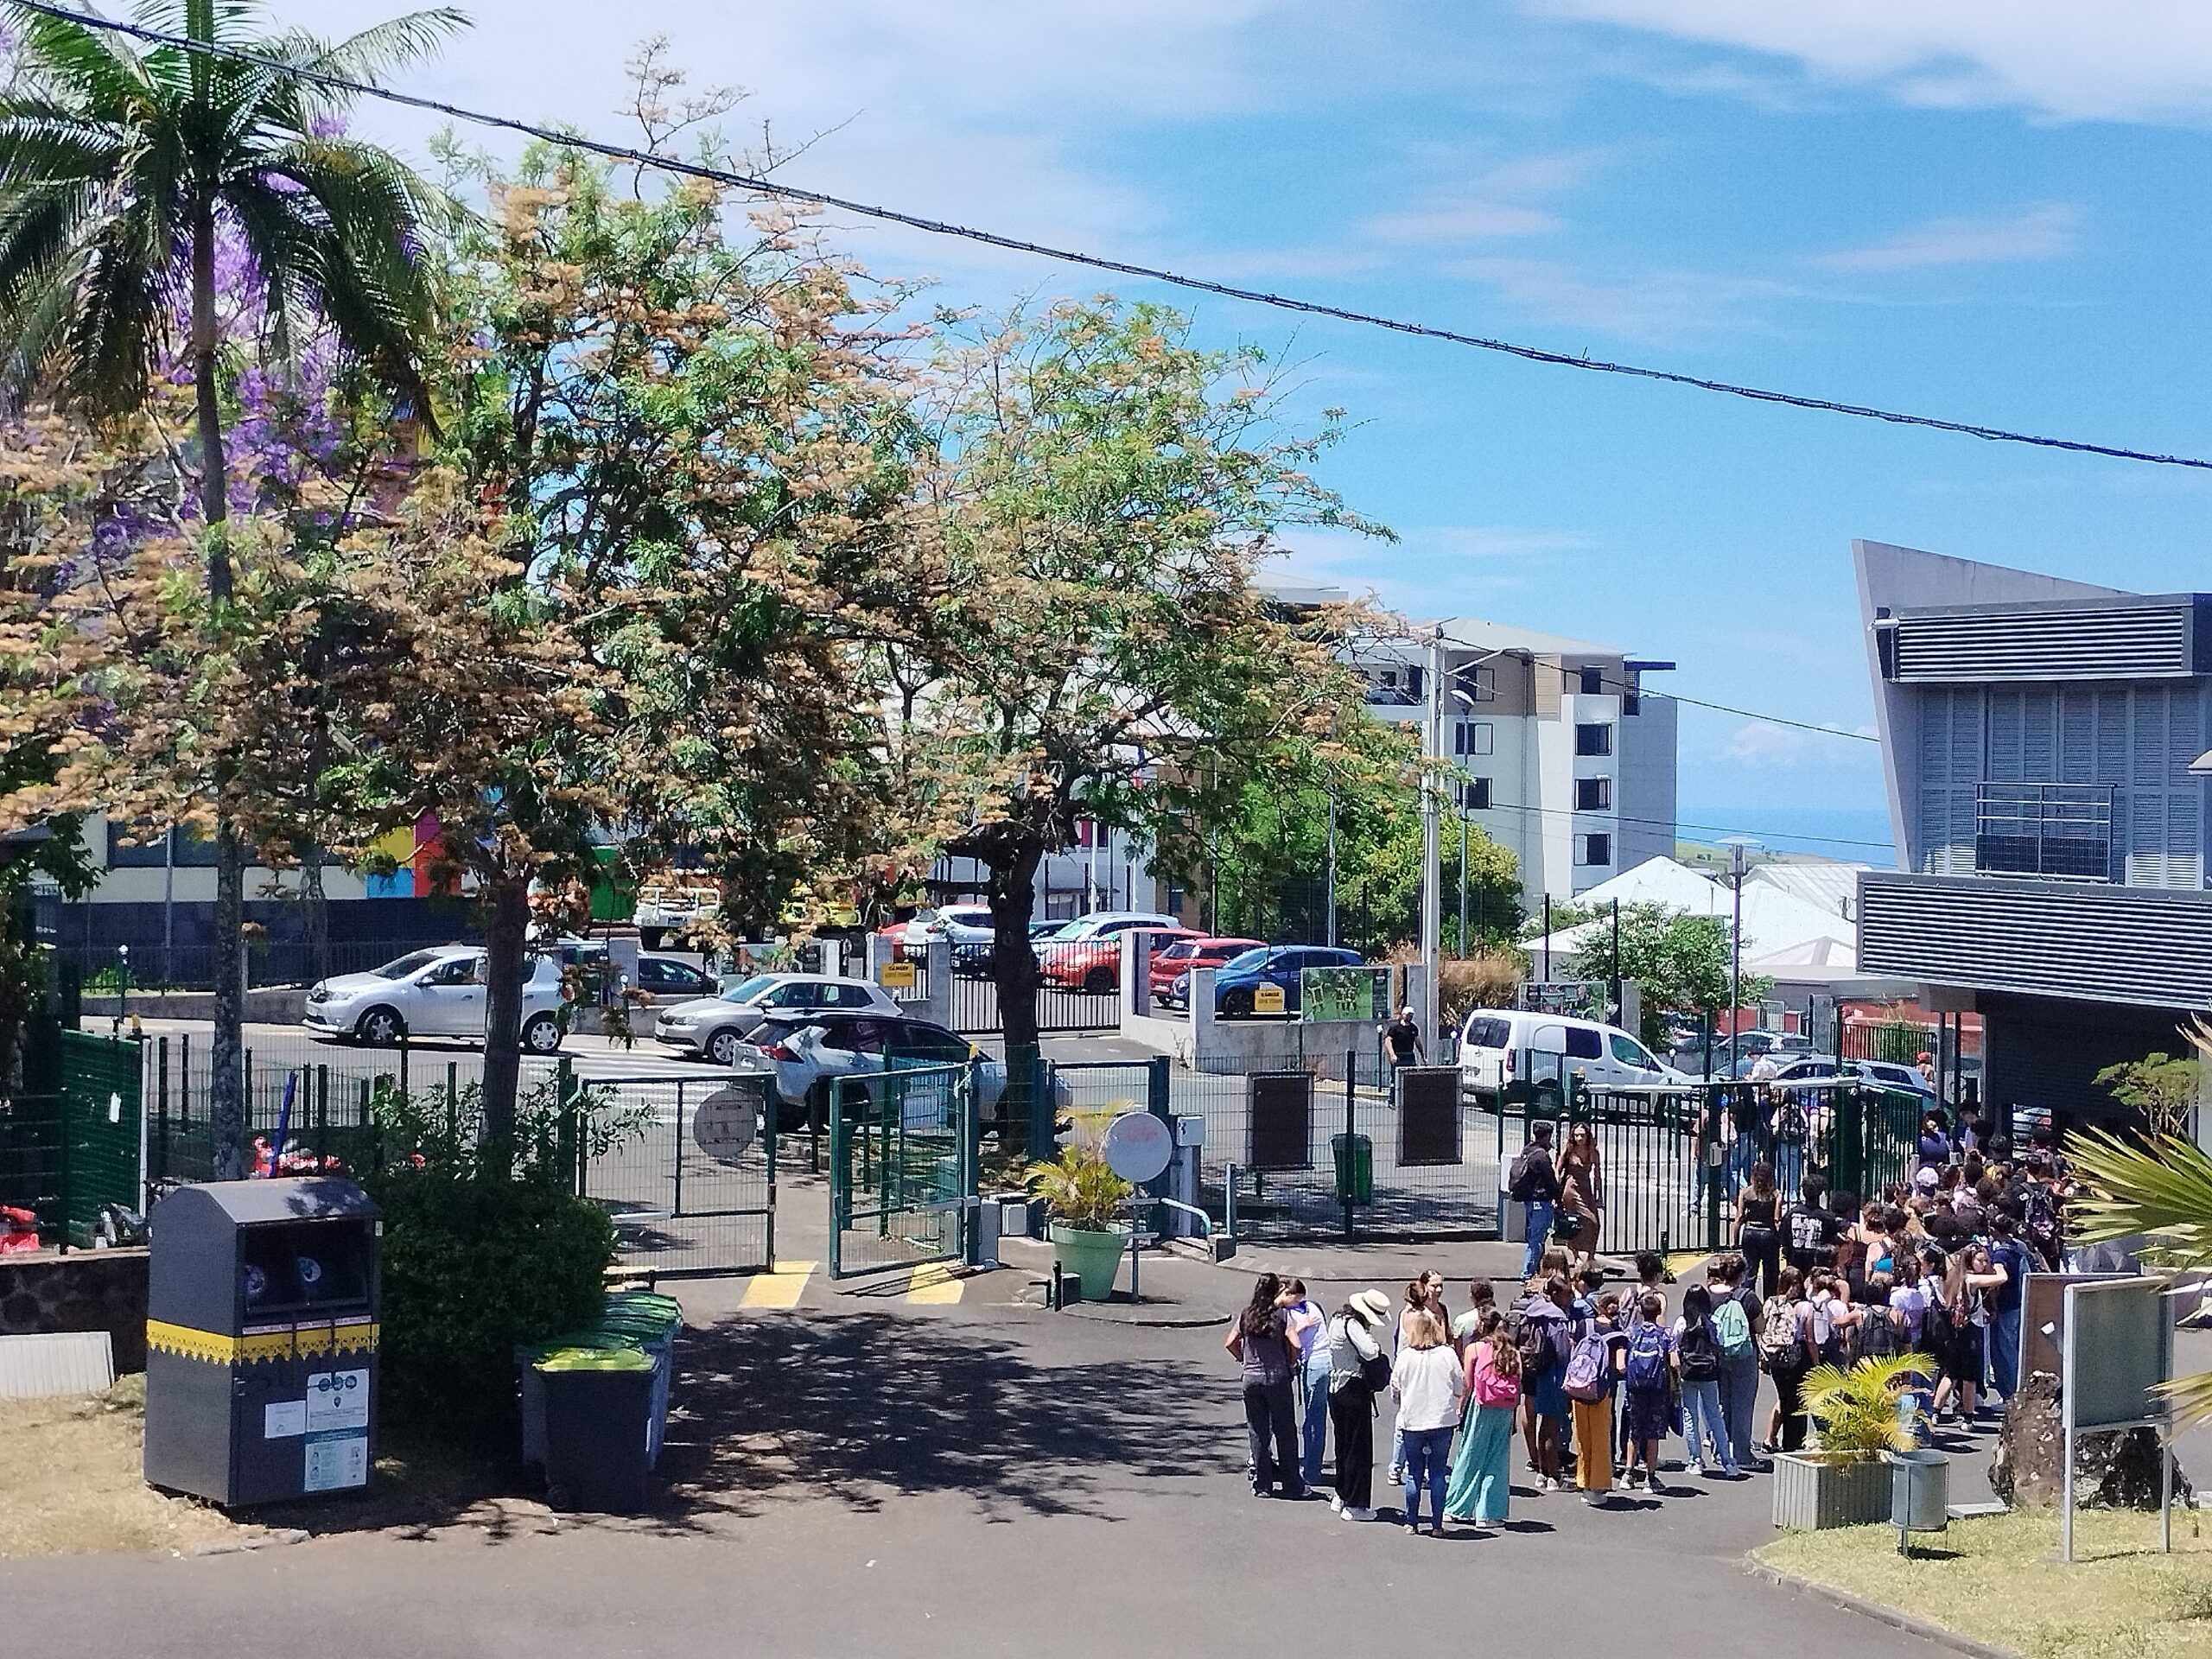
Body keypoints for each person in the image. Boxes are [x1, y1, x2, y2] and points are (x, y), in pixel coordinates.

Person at [1227, 1272, 1304, 1497]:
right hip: (1276, 1377)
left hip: (1251, 1379)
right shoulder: (1282, 1315)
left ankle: (1263, 1484)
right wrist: (1291, 1361)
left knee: (1258, 1431)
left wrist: (1243, 1359)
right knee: (1286, 1432)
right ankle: (1292, 1484)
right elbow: (1296, 1344)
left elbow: (1230, 1342)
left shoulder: (1246, 1315)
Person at [1390, 1311, 1464, 1535]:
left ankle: (1411, 1522)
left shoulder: (1405, 1356)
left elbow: (1395, 1389)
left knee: (1414, 1472)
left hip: (1413, 1421)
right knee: (1438, 1472)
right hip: (1442, 1420)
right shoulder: (1448, 1354)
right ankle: (1437, 1524)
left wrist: (1403, 1402)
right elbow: (1460, 1383)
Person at [1446, 1309, 1519, 1528]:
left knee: (1469, 1455)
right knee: (1497, 1459)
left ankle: (1455, 1507)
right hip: (1504, 1408)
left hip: (1481, 1405)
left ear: (1480, 1326)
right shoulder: (1511, 1351)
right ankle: (1488, 1513)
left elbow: (1467, 1384)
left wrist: (1460, 1408)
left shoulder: (1475, 1349)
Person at [1326, 1289, 1393, 1520]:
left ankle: (1341, 1494)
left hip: (1336, 1386)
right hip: (1354, 1388)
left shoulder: (1337, 1320)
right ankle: (1355, 1505)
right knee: (1359, 1448)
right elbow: (1371, 1352)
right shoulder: (1353, 1325)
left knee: (1343, 1445)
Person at [1387, 1272, 1450, 1486]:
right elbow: (1435, 1339)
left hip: (1411, 1367)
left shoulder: (1414, 1312)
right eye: (1434, 1286)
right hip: (1417, 1367)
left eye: (1441, 1286)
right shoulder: (1420, 1316)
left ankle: (1400, 1466)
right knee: (1415, 1421)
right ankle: (1406, 1467)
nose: (1438, 1290)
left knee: (1407, 1419)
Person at [1673, 1284, 1738, 1478]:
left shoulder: (1682, 1322)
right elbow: (1720, 1345)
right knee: (1714, 1415)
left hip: (1688, 1372)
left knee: (1690, 1415)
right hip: (1709, 1373)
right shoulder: (1713, 1321)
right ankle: (1728, 1461)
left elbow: (1676, 1343)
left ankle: (1695, 1461)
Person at [1708, 1253, 1764, 1473]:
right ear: (1742, 1275)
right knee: (1742, 1404)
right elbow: (1760, 1327)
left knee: (1722, 1404)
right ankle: (1742, 1453)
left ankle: (1718, 1448)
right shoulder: (1747, 1297)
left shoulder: (1709, 1295)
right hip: (1743, 1354)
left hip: (1717, 1354)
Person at [1516, 1274, 1573, 1491]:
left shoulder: (1533, 1310)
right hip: (1554, 1375)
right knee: (1552, 1426)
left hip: (1537, 1373)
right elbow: (1562, 1353)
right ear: (1556, 1294)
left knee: (1542, 1427)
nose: (1570, 1298)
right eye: (1567, 1294)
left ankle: (1541, 1471)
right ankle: (1554, 1476)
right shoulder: (1557, 1319)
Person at [1567, 1292, 1624, 1507]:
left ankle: (1583, 1480)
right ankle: (1597, 1487)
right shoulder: (1617, 1332)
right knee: (1601, 1439)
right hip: (1602, 1390)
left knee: (1583, 1437)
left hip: (1580, 1386)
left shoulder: (1584, 1325)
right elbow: (1620, 1366)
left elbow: (1573, 1351)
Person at [1620, 1292, 1675, 1492]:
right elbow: (1675, 1361)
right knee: (1652, 1433)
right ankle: (1650, 1478)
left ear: (1641, 1312)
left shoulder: (1631, 1333)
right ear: (1658, 1311)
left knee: (1635, 1431)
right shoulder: (1665, 1334)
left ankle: (1628, 1473)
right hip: (1657, 1389)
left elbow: (1621, 1364)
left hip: (1635, 1388)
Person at [1282, 1278, 1332, 1490]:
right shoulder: (1312, 1306)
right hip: (1326, 1361)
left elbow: (1290, 1338)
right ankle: (1314, 1468)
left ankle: (1311, 1471)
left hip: (1313, 1364)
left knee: (1311, 1421)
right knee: (1317, 1418)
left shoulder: (1291, 1313)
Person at [1757, 1267, 1810, 1453]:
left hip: (1774, 1358)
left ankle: (1775, 1439)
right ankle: (1792, 1443)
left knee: (1784, 1399)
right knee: (1795, 1401)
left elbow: (1762, 1329)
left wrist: (1762, 1357)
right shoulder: (1801, 1306)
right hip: (1793, 1357)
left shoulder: (1771, 1302)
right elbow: (1807, 1336)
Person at [1508, 1121, 1562, 1281]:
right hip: (1541, 1202)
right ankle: (1528, 1273)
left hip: (1530, 1201)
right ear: (1546, 1136)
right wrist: (1558, 1198)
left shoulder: (1527, 1151)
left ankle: (1536, 1270)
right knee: (1536, 1239)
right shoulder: (1541, 1156)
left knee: (1535, 1237)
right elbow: (1550, 1181)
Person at [1986, 1211, 2029, 1402]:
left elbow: (1998, 1281)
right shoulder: (2019, 1247)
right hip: (2019, 1302)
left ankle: (2012, 1394)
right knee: (2015, 1347)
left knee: (2005, 1350)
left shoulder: (2001, 1254)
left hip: (2005, 1306)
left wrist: (1993, 1306)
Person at [1558, 1122, 1605, 1270]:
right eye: (1576, 1135)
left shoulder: (1592, 1151)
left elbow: (1597, 1175)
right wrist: (1555, 1188)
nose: (1579, 1138)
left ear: (1587, 1136)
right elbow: (1558, 1168)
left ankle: (1591, 1255)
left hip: (1586, 1188)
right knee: (1572, 1224)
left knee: (1594, 1223)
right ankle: (1576, 1254)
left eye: (1582, 1135)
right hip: (1570, 1188)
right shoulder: (1569, 1148)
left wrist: (1599, 1195)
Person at [1735, 1160, 1783, 1300]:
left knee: (1750, 1271)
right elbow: (1776, 1219)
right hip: (1768, 1234)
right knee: (1771, 1273)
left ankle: (1746, 1301)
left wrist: (1735, 1239)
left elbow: (1739, 1217)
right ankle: (1770, 1302)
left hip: (1750, 1233)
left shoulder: (1745, 1193)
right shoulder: (1775, 1195)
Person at [1783, 1172, 1840, 1277]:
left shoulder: (1791, 1214)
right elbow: (1831, 1240)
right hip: (1817, 1264)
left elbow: (1785, 1240)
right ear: (1821, 1193)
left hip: (1795, 1260)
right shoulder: (1827, 1217)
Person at [1382, 1005, 1422, 1090]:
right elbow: (1387, 1041)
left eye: (1411, 1015)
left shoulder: (1413, 1028)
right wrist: (1392, 1054)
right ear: (1403, 1014)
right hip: (1398, 1056)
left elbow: (1417, 1042)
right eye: (1408, 1015)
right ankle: (1393, 1099)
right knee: (1396, 1079)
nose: (1410, 1017)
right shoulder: (1395, 1027)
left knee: (1411, 1077)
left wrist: (1423, 1056)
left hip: (1409, 1055)